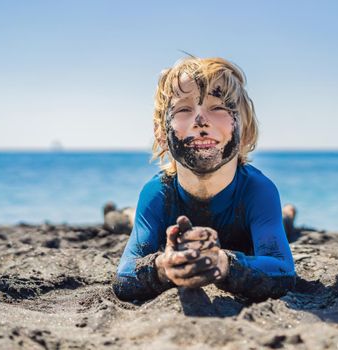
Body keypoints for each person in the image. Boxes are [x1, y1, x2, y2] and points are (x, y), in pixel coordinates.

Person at [112, 56, 296, 302]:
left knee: (281, 222)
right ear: (161, 133)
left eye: (218, 108)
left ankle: (288, 213)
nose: (201, 121)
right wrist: (164, 266)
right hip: (161, 214)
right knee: (128, 220)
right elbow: (124, 275)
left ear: (246, 130)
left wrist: (222, 262)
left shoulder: (258, 190)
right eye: (184, 109)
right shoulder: (158, 193)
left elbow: (282, 268)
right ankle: (120, 214)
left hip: (254, 225)